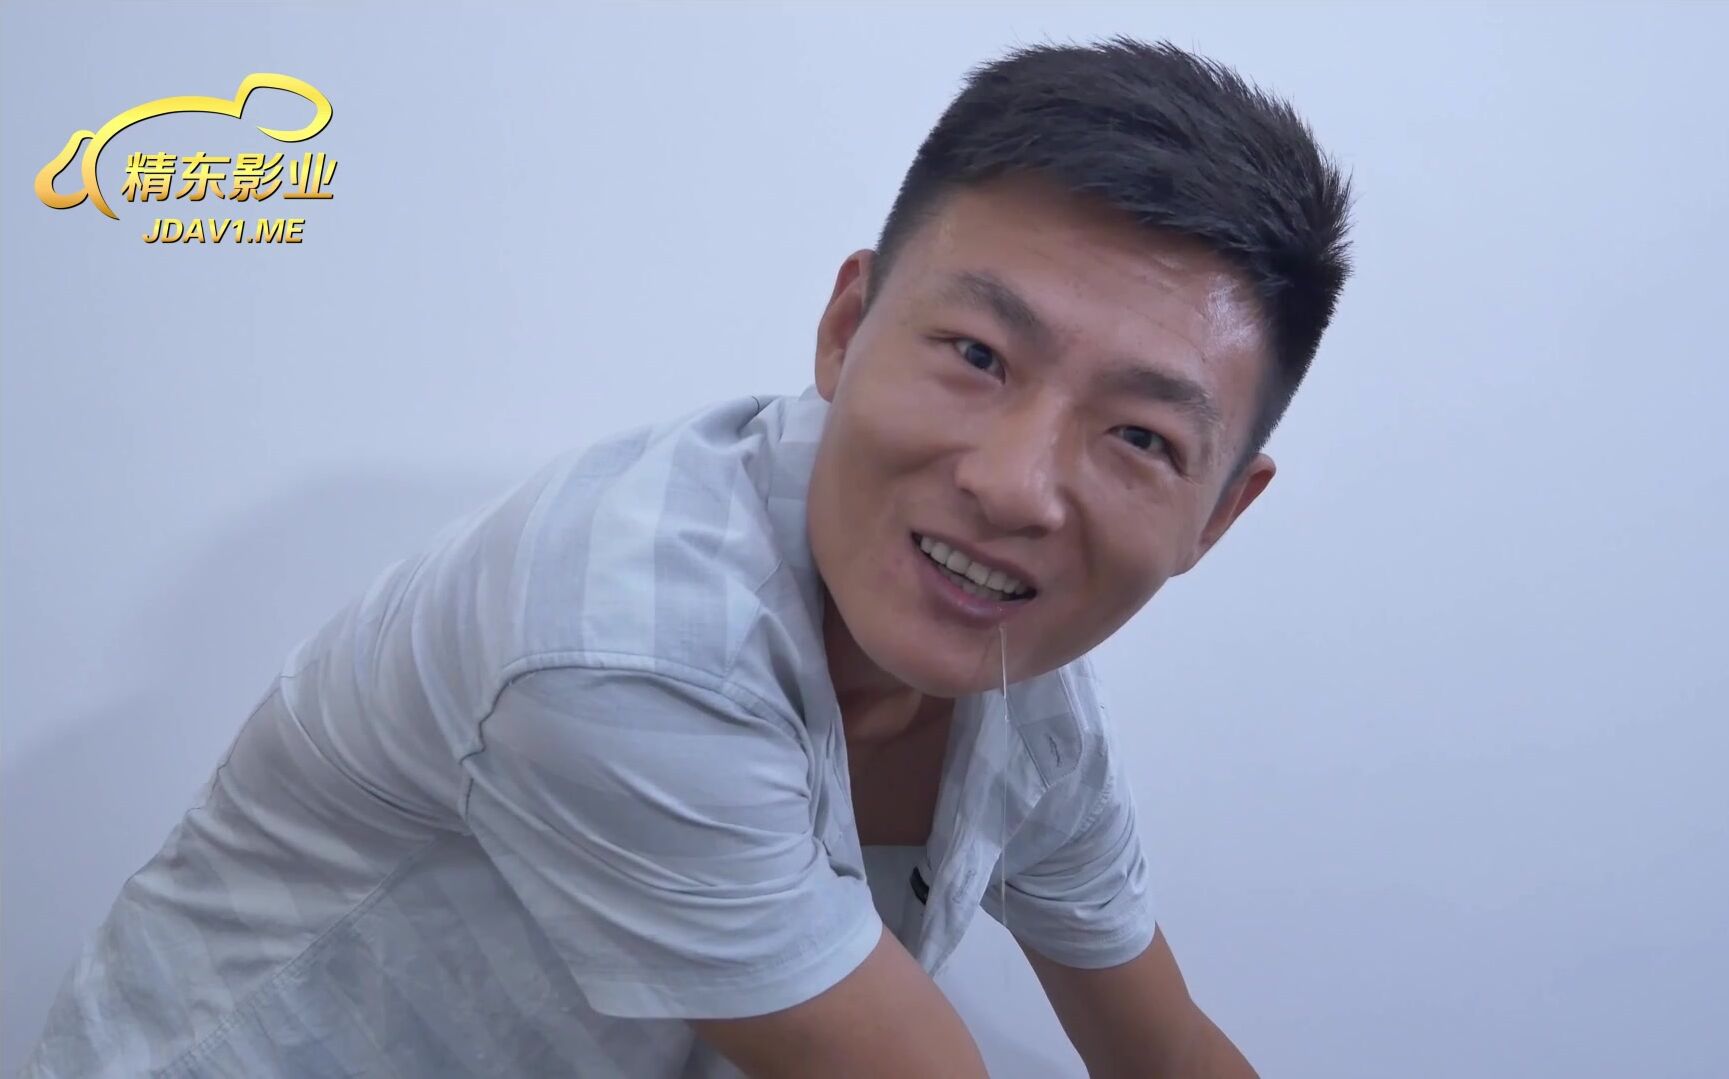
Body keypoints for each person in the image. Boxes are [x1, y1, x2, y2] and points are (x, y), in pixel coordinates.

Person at [22, 35, 1351, 1078]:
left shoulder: (1033, 707)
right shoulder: (620, 640)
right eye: (978, 355)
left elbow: (1161, 1047)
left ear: (1216, 518)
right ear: (846, 328)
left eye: (1139, 437)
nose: (1014, 486)